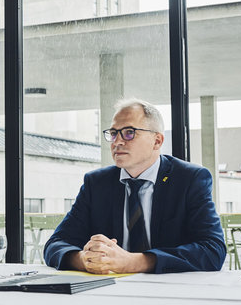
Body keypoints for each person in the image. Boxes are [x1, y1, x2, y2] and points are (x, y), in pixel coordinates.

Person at [44, 98, 226, 274]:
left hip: (171, 291)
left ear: (157, 141)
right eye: (114, 133)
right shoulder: (97, 183)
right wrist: (85, 260)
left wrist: (133, 262)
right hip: (112, 291)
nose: (117, 142)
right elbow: (56, 243)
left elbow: (213, 250)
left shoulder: (190, 179)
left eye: (129, 132)